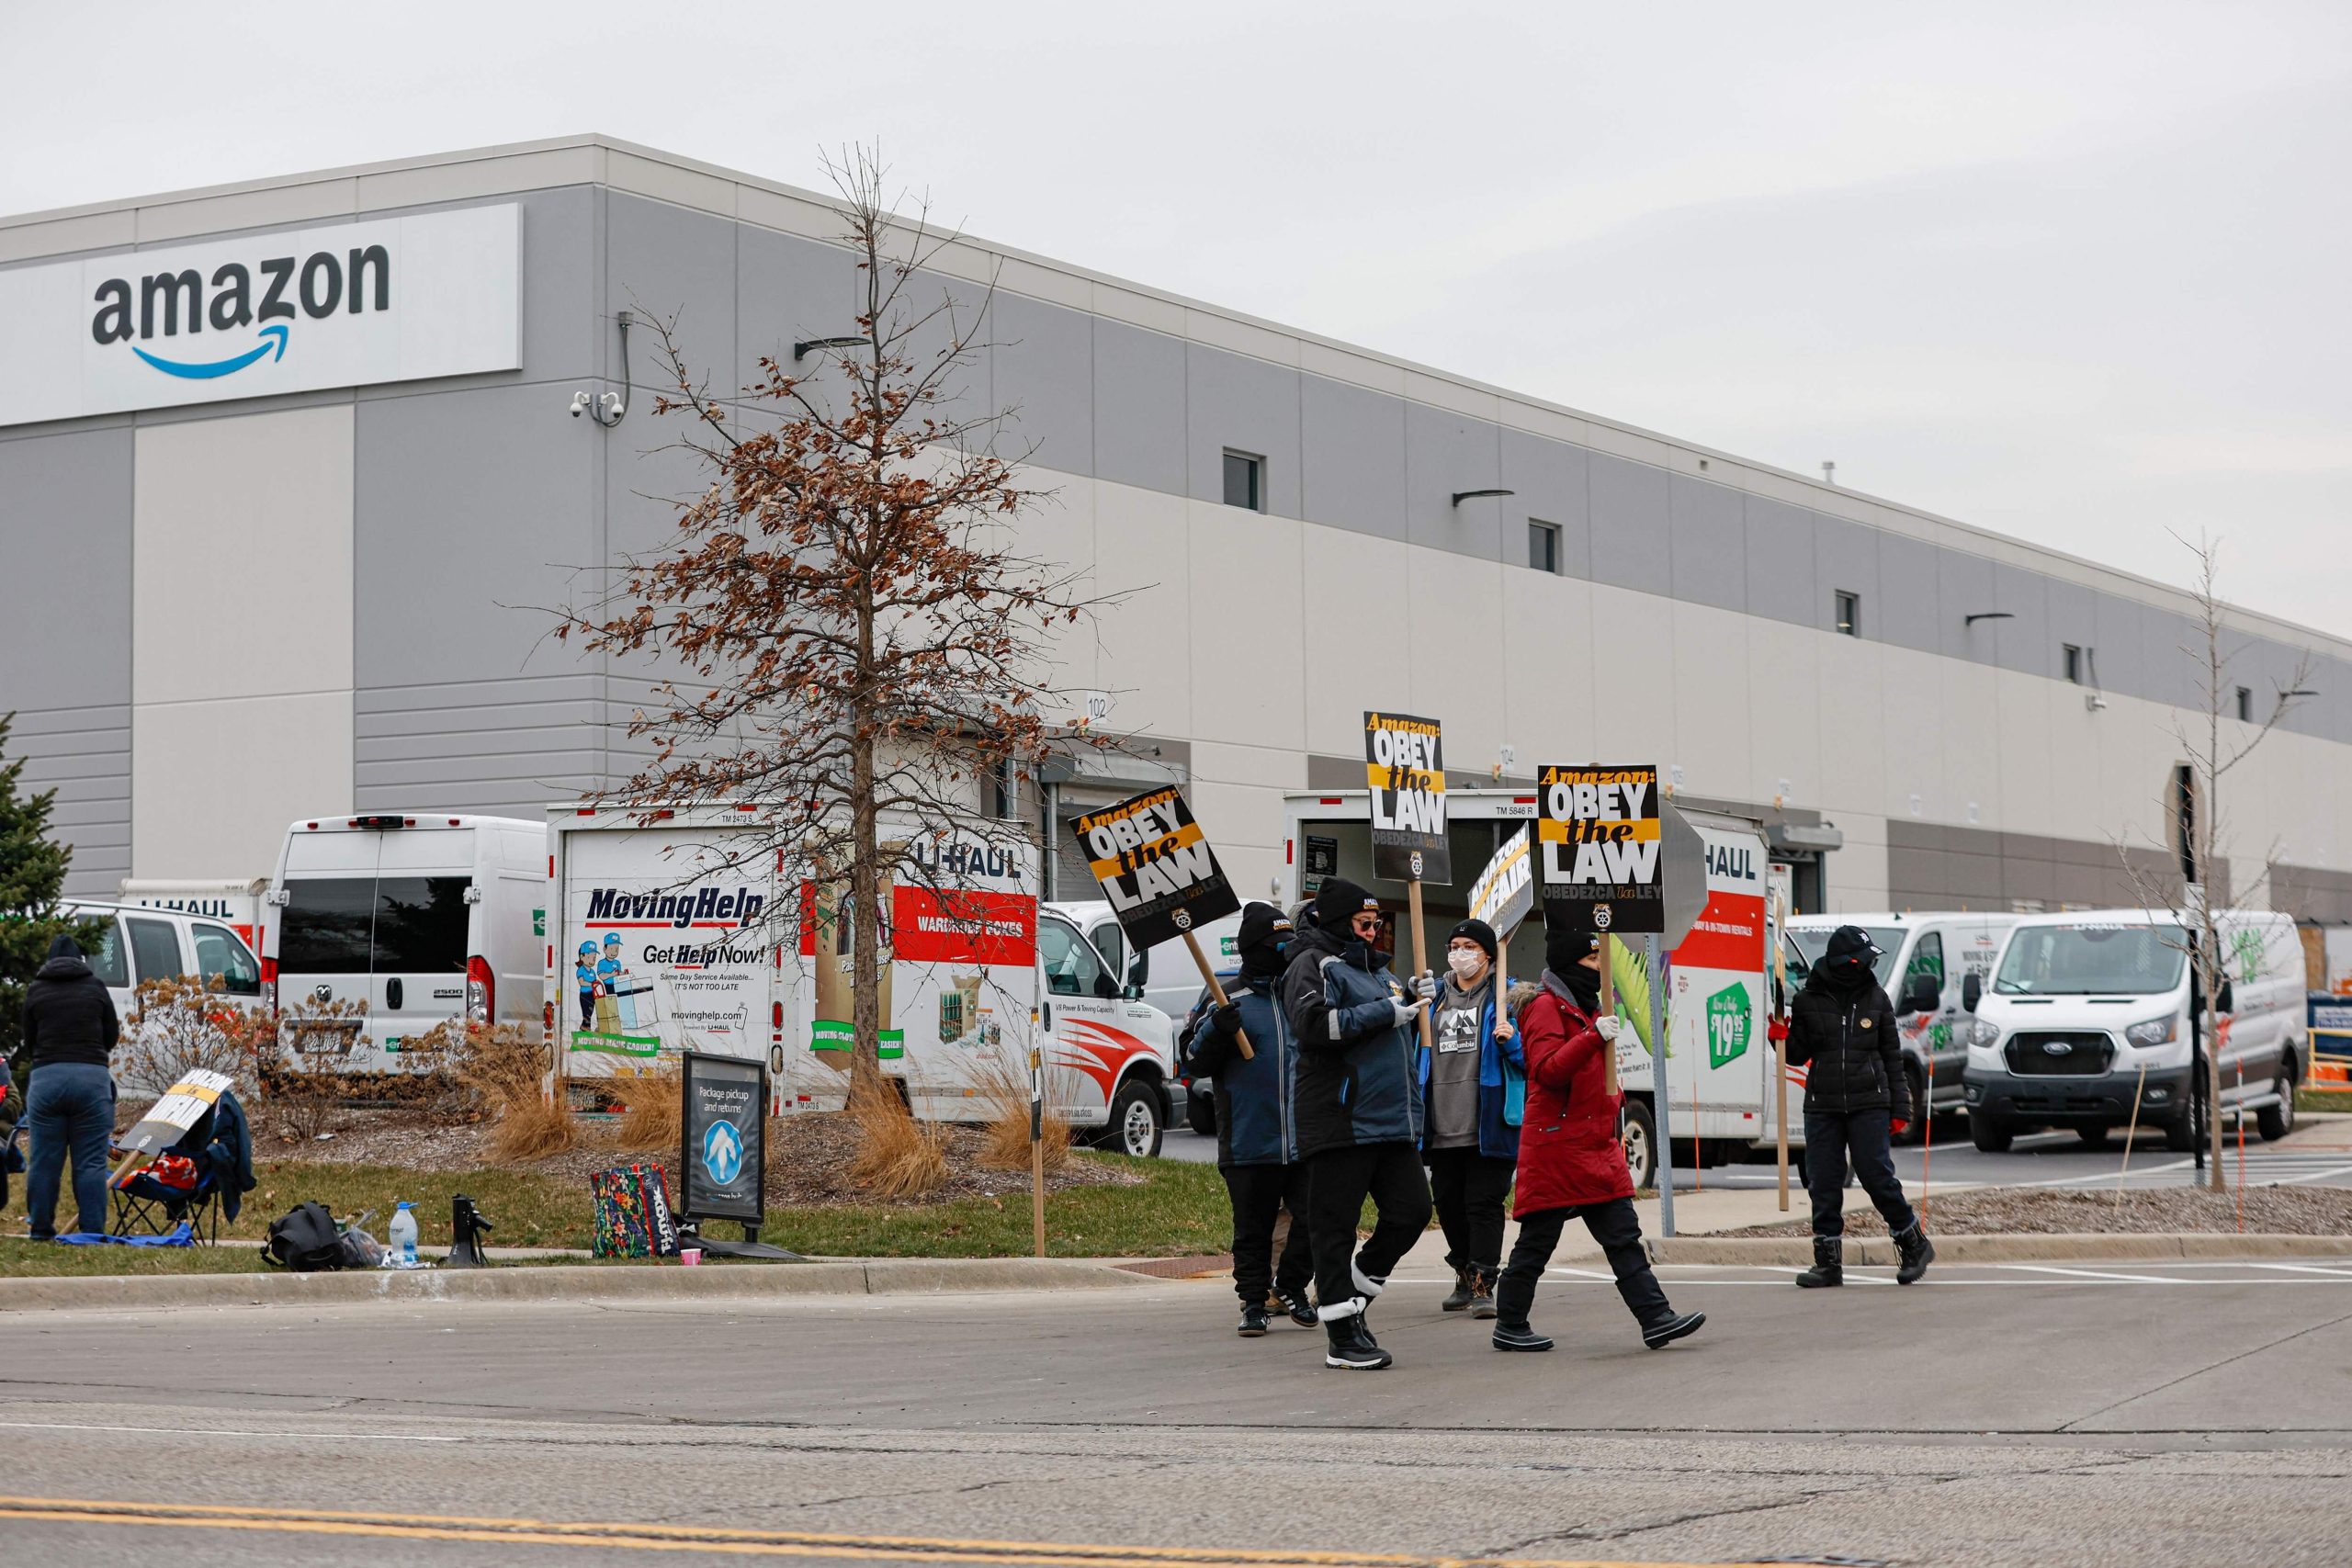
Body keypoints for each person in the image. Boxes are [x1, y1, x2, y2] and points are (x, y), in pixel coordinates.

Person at [1491, 922, 1704, 1352]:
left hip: (1593, 1144)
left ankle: (1655, 1318)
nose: (1599, 969)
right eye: (1592, 960)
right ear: (1571, 963)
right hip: (1557, 1145)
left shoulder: (1588, 1005)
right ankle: (1509, 1323)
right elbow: (1547, 1069)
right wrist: (1593, 1036)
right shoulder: (1545, 1008)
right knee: (1538, 1241)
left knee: (1622, 1235)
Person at [1281, 876, 1431, 1371]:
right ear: (1340, 921)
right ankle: (1342, 1337)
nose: (1373, 932)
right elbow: (1313, 1026)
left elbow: (1385, 1019)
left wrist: (1407, 994)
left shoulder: (1377, 972)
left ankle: (1355, 1293)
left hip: (1389, 1121)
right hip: (1340, 1118)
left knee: (1412, 1212)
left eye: (1378, 924)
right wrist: (1386, 1012)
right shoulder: (1311, 964)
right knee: (1334, 1226)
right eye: (1364, 923)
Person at [1770, 924, 1934, 1287]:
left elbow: (1893, 1057)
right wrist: (1779, 1037)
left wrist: (1899, 1109)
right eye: (1865, 959)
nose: (1869, 965)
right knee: (1823, 1182)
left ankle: (1913, 1242)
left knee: (1876, 1175)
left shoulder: (1876, 999)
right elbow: (1797, 1054)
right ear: (1848, 961)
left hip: (1869, 1101)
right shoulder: (1807, 999)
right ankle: (1828, 1263)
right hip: (1822, 1103)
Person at [1181, 902, 1315, 1337]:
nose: (1286, 953)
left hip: (1303, 1135)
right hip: (1247, 1136)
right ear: (1255, 949)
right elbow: (1193, 1061)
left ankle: (1292, 1285)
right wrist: (1216, 1028)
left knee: (1316, 1217)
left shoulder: (1301, 993)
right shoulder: (1224, 996)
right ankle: (1253, 1303)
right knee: (1252, 1228)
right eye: (1278, 946)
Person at [1418, 917, 1522, 1318]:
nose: (1459, 954)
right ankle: (1462, 1271)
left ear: (1487, 955)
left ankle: (1483, 1283)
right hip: (1442, 1120)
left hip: (1488, 1119)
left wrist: (1511, 1043)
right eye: (1453, 946)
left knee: (1483, 1203)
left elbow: (1529, 1060)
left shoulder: (1508, 999)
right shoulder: (1435, 999)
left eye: (1469, 947)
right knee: (1447, 1203)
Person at [16, 932, 121, 1241]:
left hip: (48, 1080)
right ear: (80, 960)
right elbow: (111, 1035)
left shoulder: (36, 990)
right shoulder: (96, 987)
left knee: (45, 1161)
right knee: (89, 1162)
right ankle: (91, 1233)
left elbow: (30, 1039)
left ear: (49, 961)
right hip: (91, 1081)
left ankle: (41, 1230)